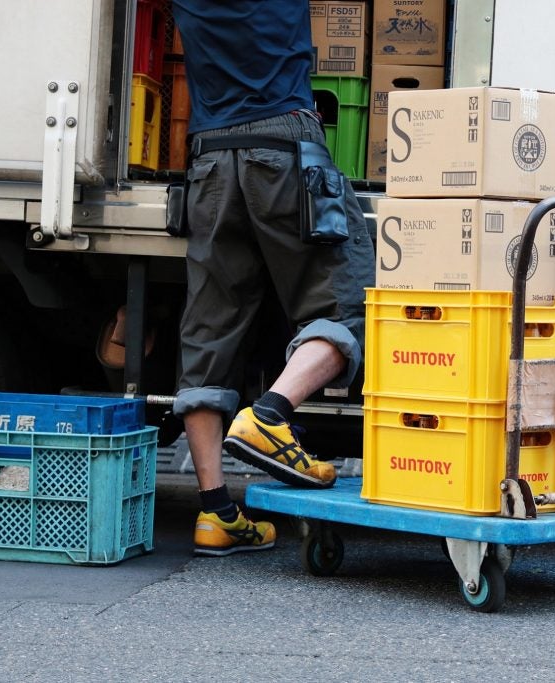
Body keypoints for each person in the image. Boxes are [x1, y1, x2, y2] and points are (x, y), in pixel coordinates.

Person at [170, 0, 374, 556]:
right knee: (346, 305)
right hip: (284, 148)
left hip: (210, 162)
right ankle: (269, 415)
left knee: (208, 334)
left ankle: (216, 513)